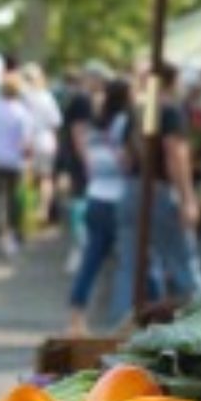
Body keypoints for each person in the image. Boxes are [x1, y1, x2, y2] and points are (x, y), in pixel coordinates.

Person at [111, 63, 201, 322]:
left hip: (132, 189)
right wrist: (188, 198)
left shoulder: (137, 110)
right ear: (172, 82)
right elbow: (175, 154)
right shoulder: (170, 110)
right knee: (183, 264)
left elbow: (123, 158)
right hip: (161, 191)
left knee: (129, 269)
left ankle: (120, 334)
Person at [67, 79, 131, 335]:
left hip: (94, 197)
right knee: (131, 262)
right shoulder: (122, 126)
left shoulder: (92, 128)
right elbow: (126, 163)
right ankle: (128, 321)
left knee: (90, 261)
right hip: (118, 199)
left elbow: (89, 165)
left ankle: (75, 318)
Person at [58, 61, 111, 273]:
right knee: (82, 204)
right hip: (83, 161)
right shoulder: (82, 100)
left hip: (85, 160)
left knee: (84, 203)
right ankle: (81, 249)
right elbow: (78, 133)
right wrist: (88, 162)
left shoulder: (86, 99)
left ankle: (85, 248)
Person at [0, 74, 33, 258]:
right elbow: (26, 142)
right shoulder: (22, 111)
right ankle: (11, 234)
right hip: (15, 161)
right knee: (13, 199)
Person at [22, 63, 62, 224]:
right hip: (45, 141)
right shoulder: (46, 96)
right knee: (45, 178)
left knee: (30, 179)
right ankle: (42, 210)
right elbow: (56, 122)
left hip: (28, 141)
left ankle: (30, 210)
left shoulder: (23, 97)